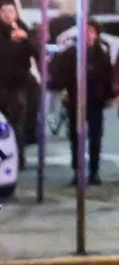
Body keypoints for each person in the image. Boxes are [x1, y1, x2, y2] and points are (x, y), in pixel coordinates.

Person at [50, 19, 116, 185]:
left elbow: (107, 77)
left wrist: (109, 96)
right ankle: (77, 170)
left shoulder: (102, 52)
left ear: (96, 35)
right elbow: (58, 71)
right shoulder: (71, 52)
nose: (88, 35)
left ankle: (94, 171)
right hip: (75, 100)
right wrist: (62, 88)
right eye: (85, 31)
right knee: (75, 136)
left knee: (95, 137)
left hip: (95, 101)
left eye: (91, 32)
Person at [0, 2, 36, 170]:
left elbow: (35, 53)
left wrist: (25, 40)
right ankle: (3, 156)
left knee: (18, 122)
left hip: (19, 85)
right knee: (2, 122)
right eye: (4, 11)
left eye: (11, 11)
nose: (8, 14)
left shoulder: (23, 29)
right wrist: (11, 42)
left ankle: (20, 157)